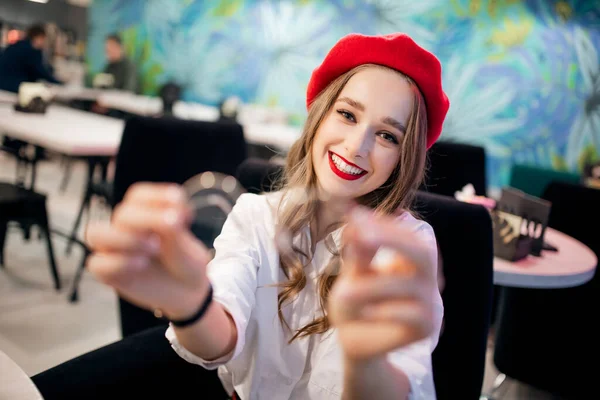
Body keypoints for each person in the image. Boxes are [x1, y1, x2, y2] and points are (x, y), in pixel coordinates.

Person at [73, 33, 450, 399]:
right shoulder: (256, 214)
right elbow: (219, 338)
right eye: (348, 114)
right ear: (319, 117)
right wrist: (190, 304)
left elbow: (400, 380)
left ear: (405, 158)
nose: (357, 145)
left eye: (388, 136)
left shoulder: (406, 246)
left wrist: (366, 362)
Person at [0, 24, 62, 93]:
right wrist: (59, 83)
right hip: (12, 86)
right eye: (44, 39)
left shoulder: (17, 45)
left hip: (3, 84)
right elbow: (40, 71)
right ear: (38, 37)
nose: (44, 42)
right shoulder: (32, 50)